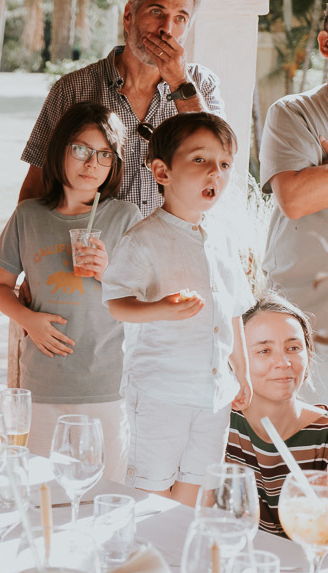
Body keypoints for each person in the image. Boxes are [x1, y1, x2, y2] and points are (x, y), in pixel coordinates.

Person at [102, 112, 254, 506]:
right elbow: (116, 302)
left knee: (196, 493)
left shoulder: (221, 238)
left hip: (214, 397)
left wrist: (244, 373)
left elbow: (234, 310)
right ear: (162, 171)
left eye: (224, 165)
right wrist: (160, 309)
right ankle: (146, 561)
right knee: (151, 493)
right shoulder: (143, 240)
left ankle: (178, 562)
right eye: (200, 160)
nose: (214, 174)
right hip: (161, 393)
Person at [0, 103, 141, 482]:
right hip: (41, 387)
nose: (92, 163)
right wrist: (28, 320)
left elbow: (143, 298)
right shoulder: (29, 216)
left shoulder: (124, 216)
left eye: (104, 155)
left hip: (105, 387)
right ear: (59, 150)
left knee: (103, 496)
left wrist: (108, 274)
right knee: (42, 495)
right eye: (81, 149)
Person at [18, 0, 223, 217]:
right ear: (128, 16)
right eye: (156, 11)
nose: (166, 29)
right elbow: (36, 186)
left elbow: (218, 163)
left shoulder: (202, 84)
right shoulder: (72, 89)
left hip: (173, 246)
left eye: (180, 18)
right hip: (93, 246)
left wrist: (180, 83)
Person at [258, 4, 328, 404]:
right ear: (325, 44)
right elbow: (296, 197)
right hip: (299, 332)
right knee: (295, 459)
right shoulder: (294, 112)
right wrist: (308, 181)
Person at [225, 292, 328, 537]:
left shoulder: (323, 435)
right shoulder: (218, 426)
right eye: (264, 351)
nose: (283, 362)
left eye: (293, 348)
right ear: (235, 360)